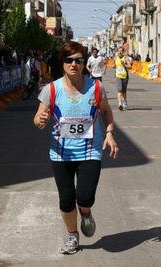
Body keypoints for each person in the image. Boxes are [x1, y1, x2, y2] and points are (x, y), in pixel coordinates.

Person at [33, 41, 118, 255]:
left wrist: (109, 133)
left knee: (85, 196)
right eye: (69, 60)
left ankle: (86, 212)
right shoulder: (51, 90)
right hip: (61, 153)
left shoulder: (96, 88)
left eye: (78, 60)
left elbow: (106, 111)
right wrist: (41, 121)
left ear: (84, 63)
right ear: (62, 63)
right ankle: (72, 234)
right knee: (66, 198)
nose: (74, 64)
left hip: (90, 151)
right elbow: (38, 119)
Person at [112, 46, 132, 110]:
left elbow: (130, 66)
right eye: (119, 50)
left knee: (124, 90)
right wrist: (113, 66)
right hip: (118, 76)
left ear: (123, 52)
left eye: (121, 51)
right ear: (117, 52)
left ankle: (125, 101)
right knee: (119, 89)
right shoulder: (115, 58)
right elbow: (114, 65)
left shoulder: (125, 58)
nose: (120, 52)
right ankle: (120, 104)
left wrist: (124, 65)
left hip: (125, 76)